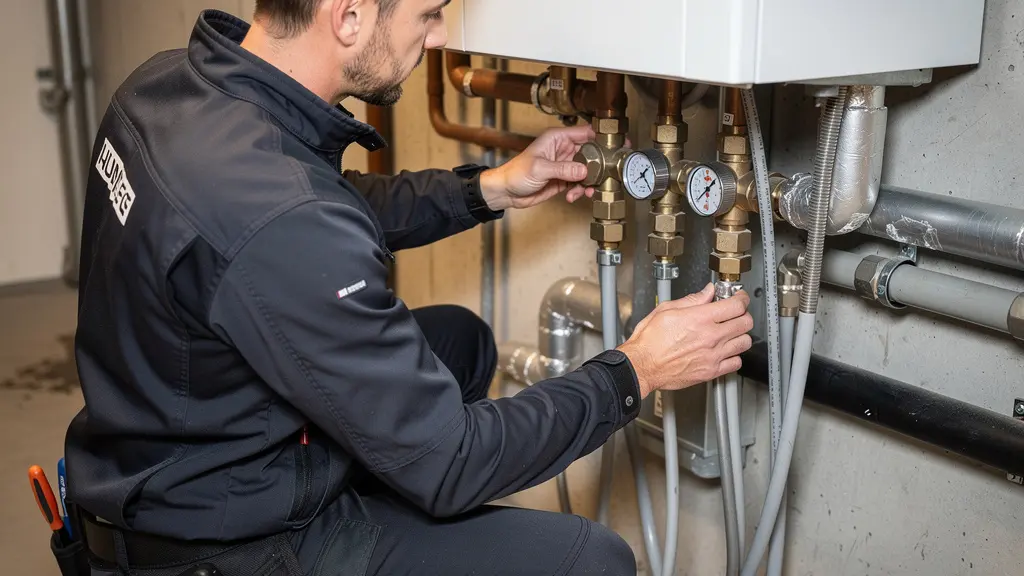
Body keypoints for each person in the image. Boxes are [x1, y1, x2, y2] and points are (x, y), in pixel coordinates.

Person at [65, 1, 753, 575]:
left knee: (461, 342)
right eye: (426, 15)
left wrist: (487, 189)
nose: (439, 36)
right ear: (351, 16)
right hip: (220, 547)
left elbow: (312, 207)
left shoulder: (168, 87)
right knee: (590, 560)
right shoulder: (281, 217)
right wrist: (636, 370)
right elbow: (454, 460)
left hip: (157, 446)